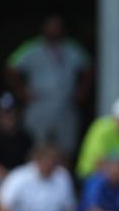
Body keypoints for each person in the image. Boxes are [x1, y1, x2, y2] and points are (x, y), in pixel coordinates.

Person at [5, 15, 92, 154]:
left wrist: (82, 91)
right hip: (40, 103)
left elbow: (88, 67)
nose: (54, 29)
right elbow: (11, 66)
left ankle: (63, 175)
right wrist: (21, 92)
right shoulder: (31, 47)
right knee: (36, 144)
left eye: (57, 26)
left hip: (65, 104)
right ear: (43, 27)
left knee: (66, 148)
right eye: (51, 26)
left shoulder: (71, 48)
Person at [0, 93, 33, 185]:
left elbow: (32, 165)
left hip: (21, 180)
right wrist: (14, 181)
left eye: (10, 112)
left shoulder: (25, 136)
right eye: (3, 113)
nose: (8, 117)